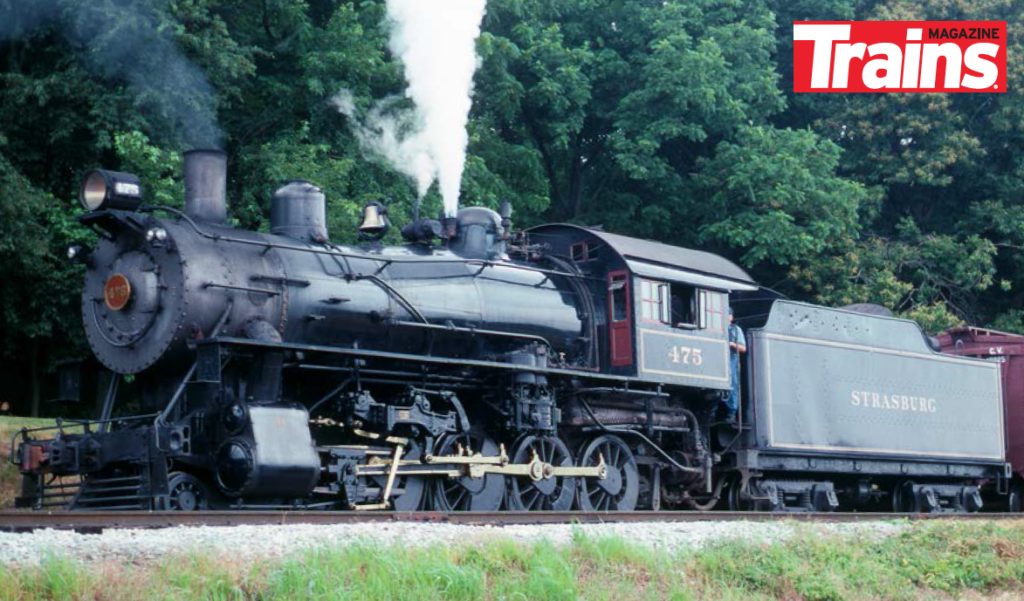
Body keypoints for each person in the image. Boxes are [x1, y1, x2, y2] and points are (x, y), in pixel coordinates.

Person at [723, 308, 746, 421]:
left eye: (727, 315)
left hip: (731, 359)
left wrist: (731, 343)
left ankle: (731, 413)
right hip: (719, 360)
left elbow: (742, 348)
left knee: (732, 385)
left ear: (731, 317)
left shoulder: (736, 330)